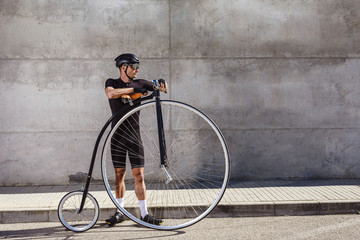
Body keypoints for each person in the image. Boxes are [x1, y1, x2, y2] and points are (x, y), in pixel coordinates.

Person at [104, 53, 167, 227]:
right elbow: (111, 94)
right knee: (119, 176)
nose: (137, 69)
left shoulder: (141, 83)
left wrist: (161, 83)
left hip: (134, 136)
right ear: (123, 67)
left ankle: (145, 214)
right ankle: (120, 212)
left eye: (138, 66)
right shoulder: (112, 82)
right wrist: (132, 91)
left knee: (139, 176)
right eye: (134, 66)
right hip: (116, 136)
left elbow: (160, 88)